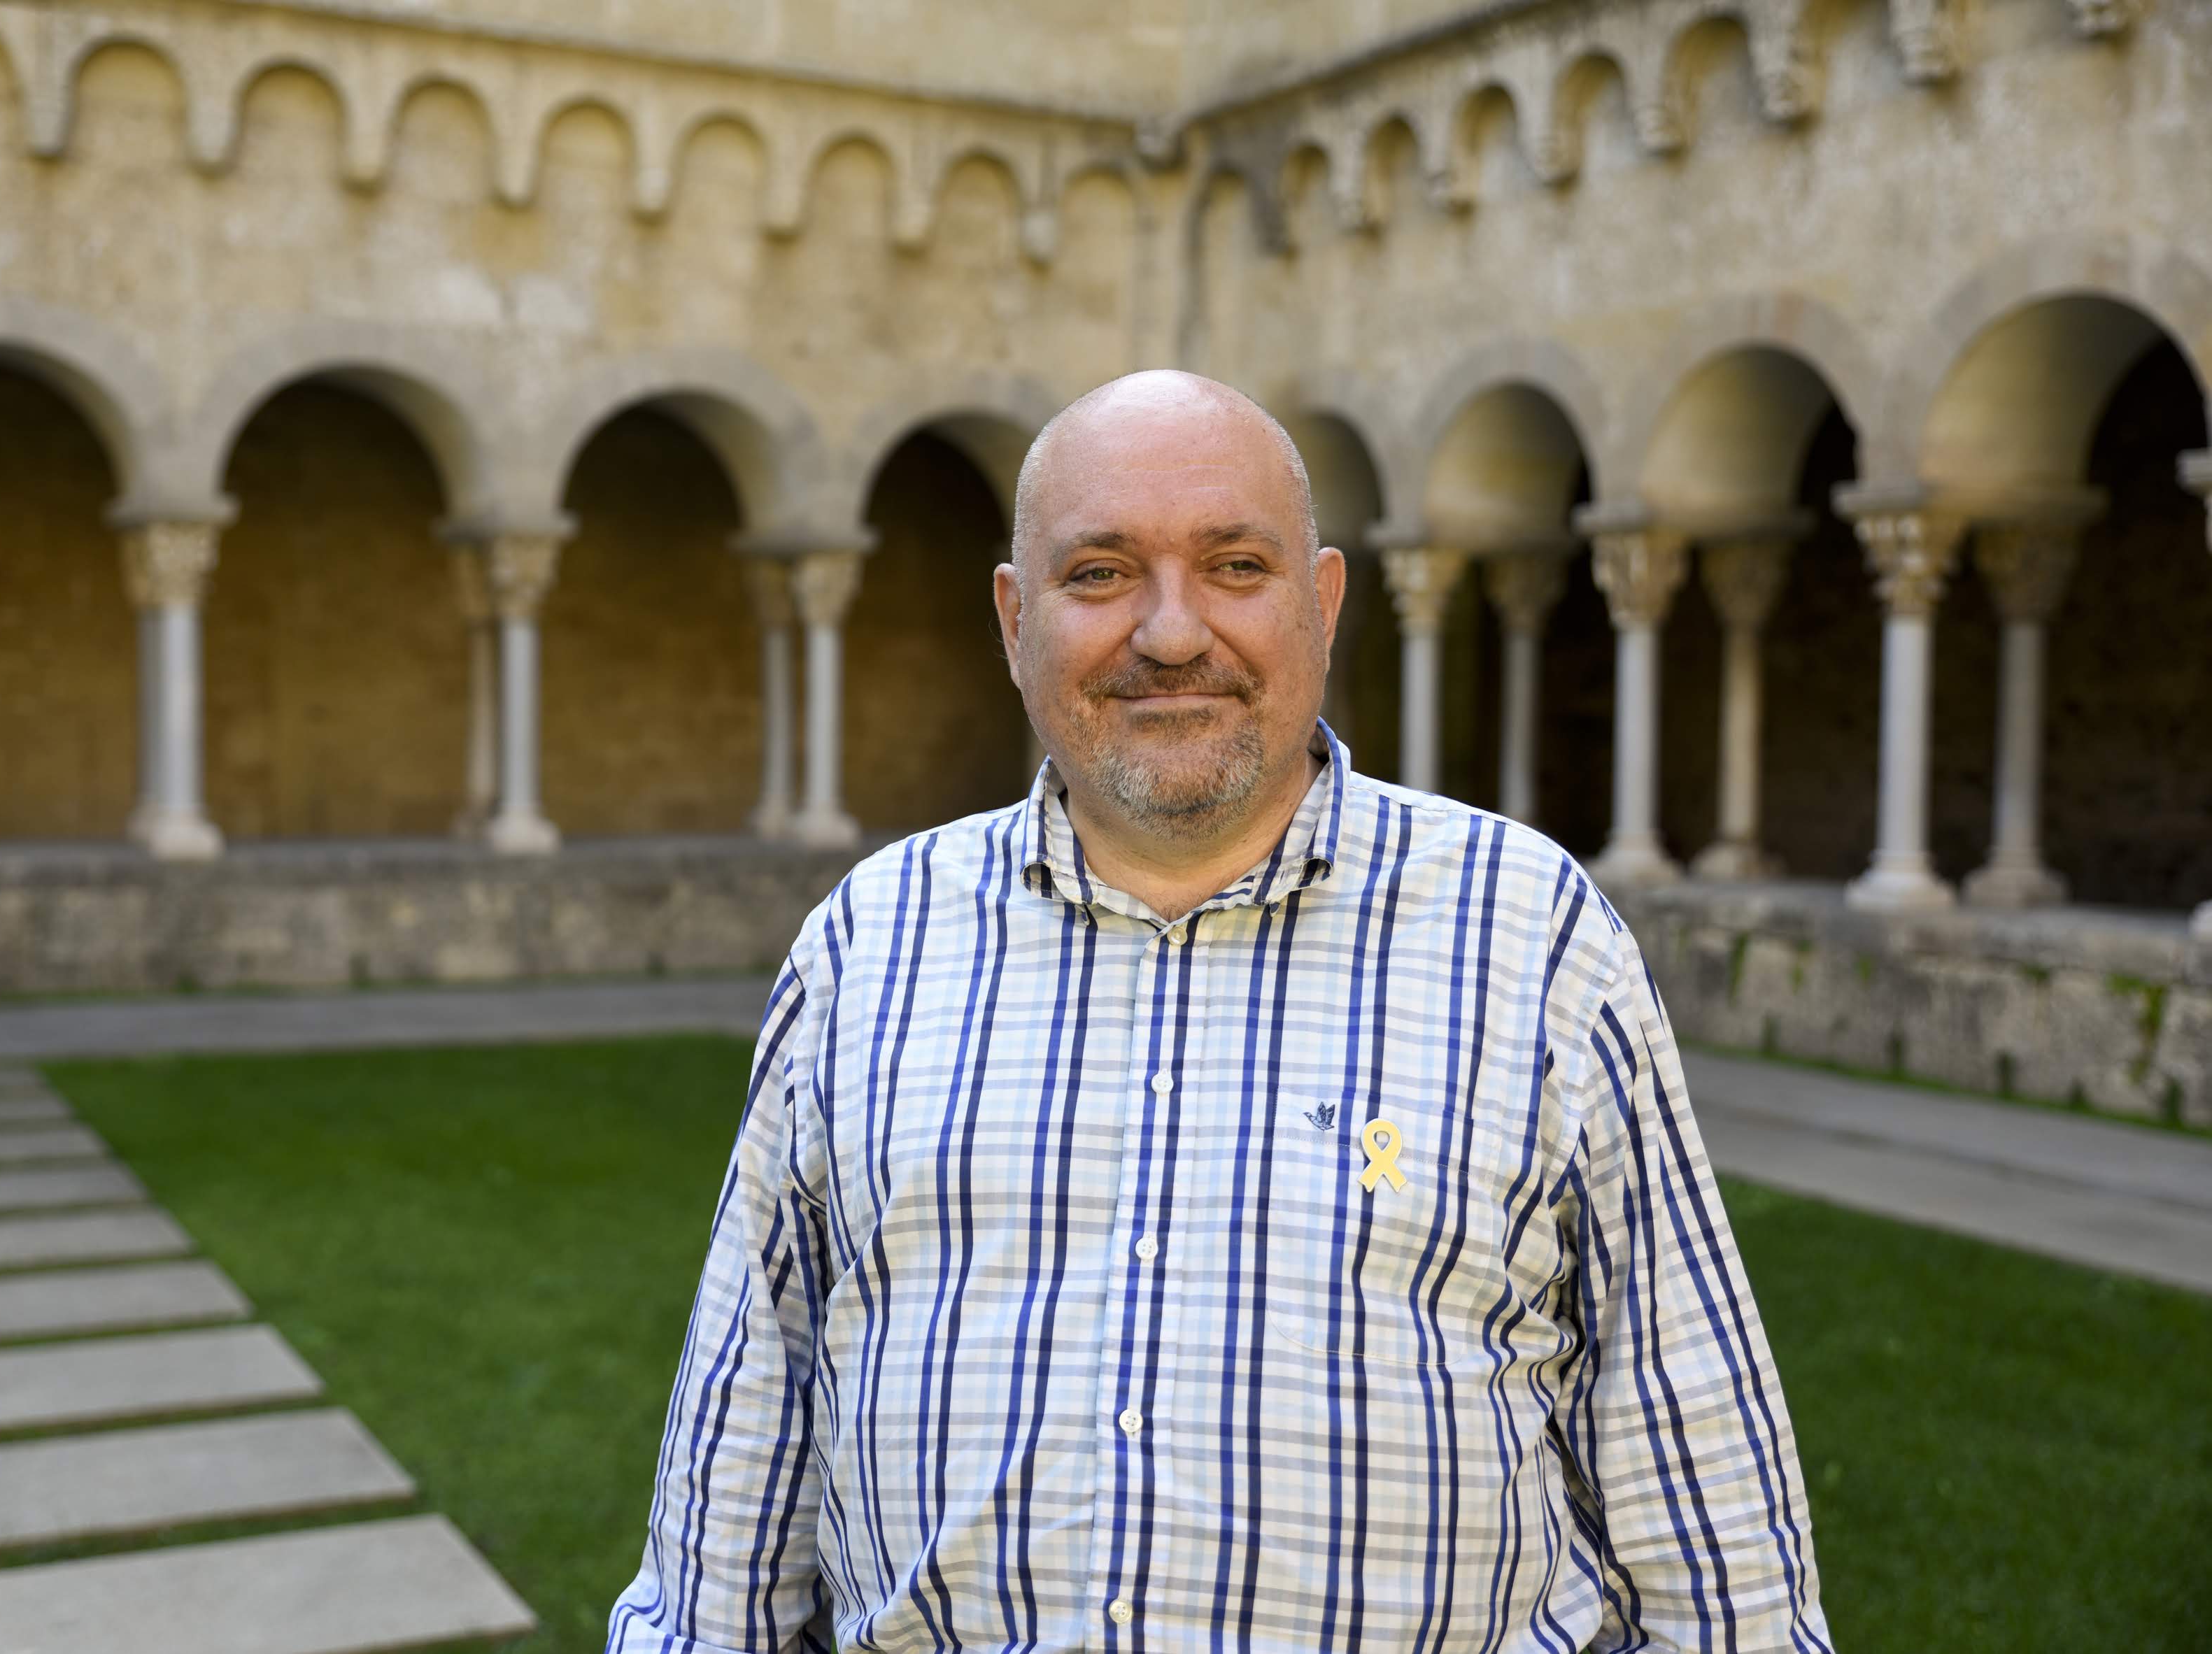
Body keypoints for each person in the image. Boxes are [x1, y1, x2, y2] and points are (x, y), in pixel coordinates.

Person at [607, 370, 1833, 1653]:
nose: (1173, 633)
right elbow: (729, 1511)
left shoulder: (1532, 940)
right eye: (1100, 574)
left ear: (1324, 600)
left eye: (1236, 565)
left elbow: (1713, 1535)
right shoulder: (870, 947)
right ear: (1014, 619)